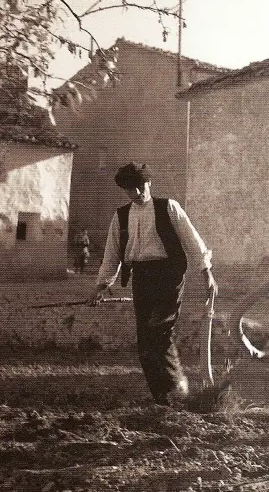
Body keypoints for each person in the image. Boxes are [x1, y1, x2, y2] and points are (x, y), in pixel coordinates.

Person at [92, 162, 218, 405]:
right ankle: (162, 397)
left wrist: (207, 274)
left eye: (140, 187)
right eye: (130, 190)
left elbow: (193, 242)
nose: (136, 193)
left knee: (159, 330)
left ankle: (178, 390)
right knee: (145, 340)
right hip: (141, 277)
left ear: (149, 183)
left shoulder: (169, 207)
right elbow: (112, 255)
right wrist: (100, 287)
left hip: (169, 275)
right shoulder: (120, 217)